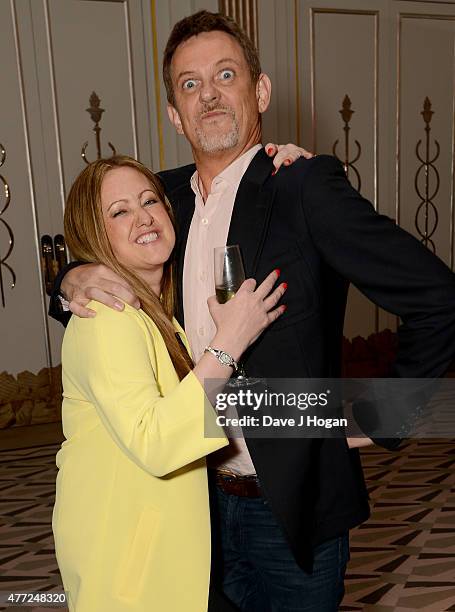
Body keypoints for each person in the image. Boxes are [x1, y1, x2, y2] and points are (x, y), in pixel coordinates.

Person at [50, 10, 455, 612]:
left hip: (287, 510)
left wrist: (380, 417)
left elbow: (438, 299)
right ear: (173, 112)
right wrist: (72, 277)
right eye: (190, 84)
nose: (208, 95)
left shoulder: (302, 186)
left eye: (225, 75)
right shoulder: (161, 204)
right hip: (190, 506)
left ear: (259, 91)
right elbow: (95, 242)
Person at [52, 154, 286, 612]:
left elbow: (191, 411)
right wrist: (229, 340)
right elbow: (157, 441)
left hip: (164, 555)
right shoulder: (106, 316)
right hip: (130, 567)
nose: (143, 217)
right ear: (94, 233)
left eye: (149, 201)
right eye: (119, 211)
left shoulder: (154, 315)